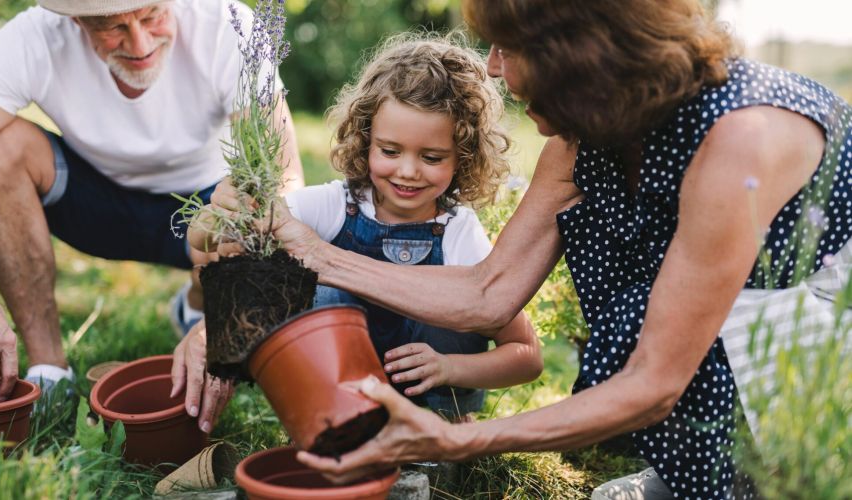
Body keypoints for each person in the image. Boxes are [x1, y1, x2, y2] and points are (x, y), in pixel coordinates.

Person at [248, 1, 850, 498]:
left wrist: (456, 440)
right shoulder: (587, 128)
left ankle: (762, 473)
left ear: (577, 55)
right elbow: (490, 292)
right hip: (730, 318)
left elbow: (654, 381)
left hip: (818, 335)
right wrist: (314, 254)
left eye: (507, 49)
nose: (490, 67)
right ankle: (701, 473)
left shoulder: (739, 141)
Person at [0, 0, 303, 404]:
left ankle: (198, 300)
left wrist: (222, 321)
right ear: (76, 19)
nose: (139, 44)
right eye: (112, 27)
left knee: (254, 205)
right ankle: (50, 371)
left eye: (152, 15)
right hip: (97, 207)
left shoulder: (228, 25)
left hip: (204, 214)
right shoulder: (33, 37)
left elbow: (285, 182)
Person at [181, 34, 544, 422]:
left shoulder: (459, 233)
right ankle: (331, 420)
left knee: (457, 305)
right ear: (365, 140)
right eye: (390, 151)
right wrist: (218, 214)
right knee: (320, 291)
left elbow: (527, 356)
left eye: (432, 157)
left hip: (428, 408)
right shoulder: (335, 205)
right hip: (340, 402)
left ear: (464, 157)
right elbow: (205, 242)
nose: (407, 171)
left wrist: (451, 368)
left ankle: (447, 427)